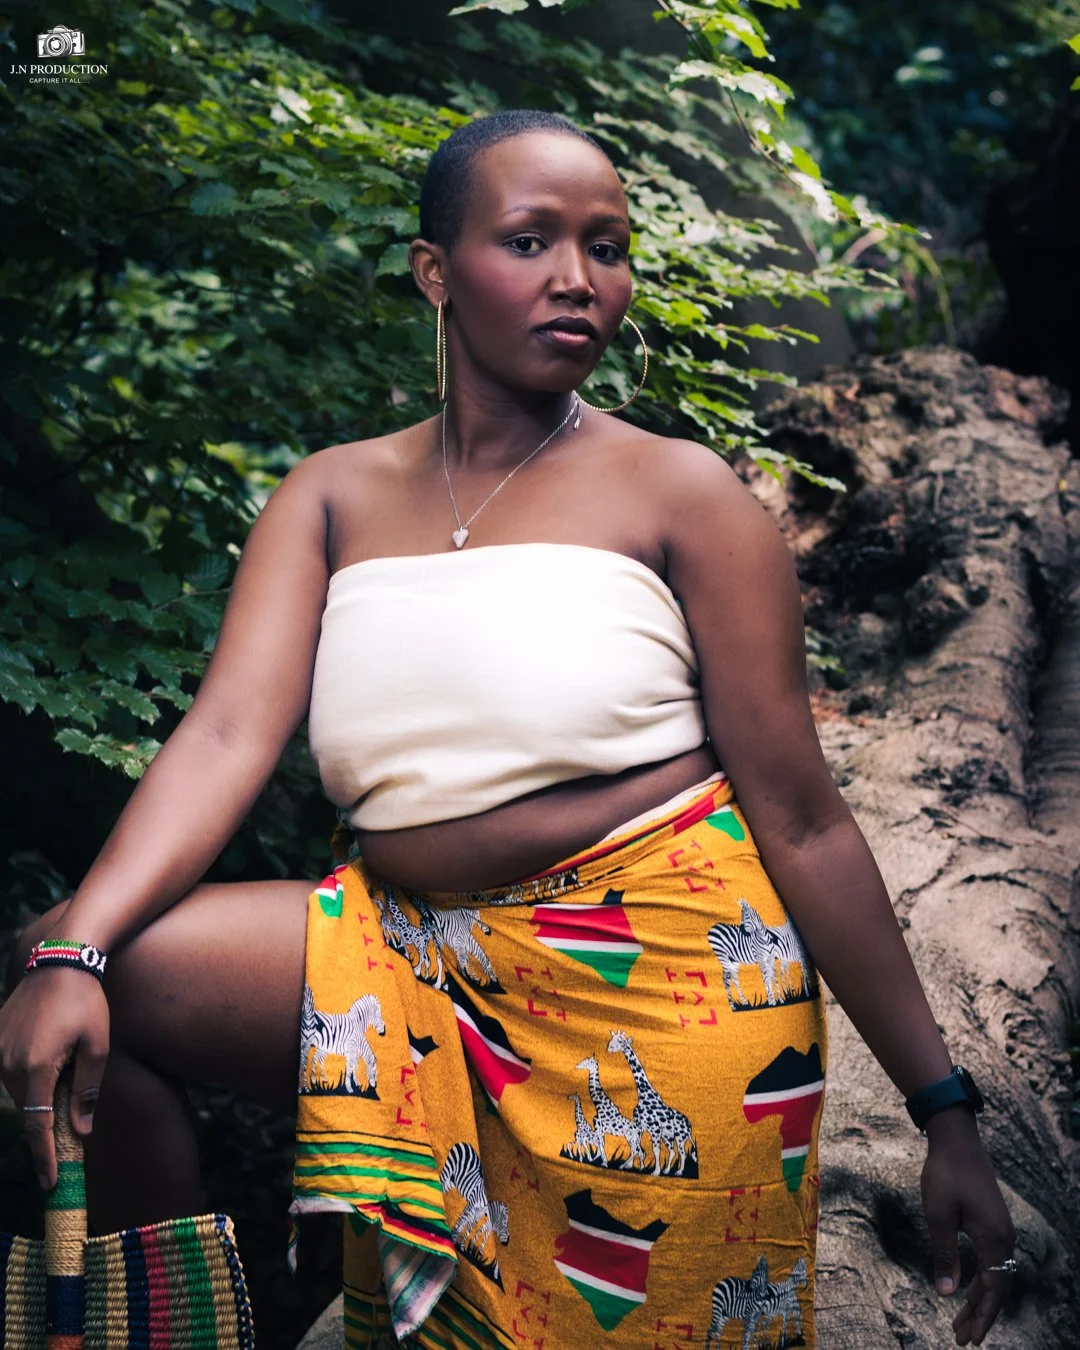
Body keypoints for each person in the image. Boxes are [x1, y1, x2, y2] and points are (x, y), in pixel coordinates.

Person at [0, 109, 1014, 1349]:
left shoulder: (681, 493)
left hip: (662, 982)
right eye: (530, 241)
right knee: (76, 968)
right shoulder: (332, 493)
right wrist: (75, 953)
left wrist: (943, 1111)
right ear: (436, 272)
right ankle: (152, 1333)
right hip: (401, 950)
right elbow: (224, 737)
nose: (579, 280)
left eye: (607, 246)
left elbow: (802, 817)